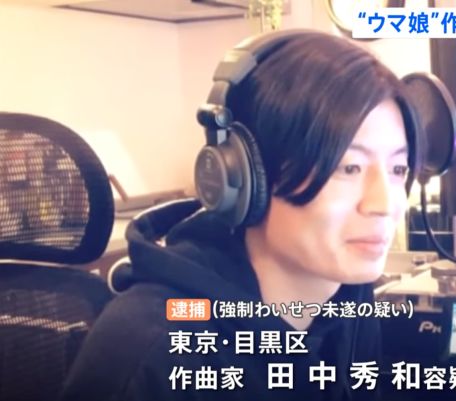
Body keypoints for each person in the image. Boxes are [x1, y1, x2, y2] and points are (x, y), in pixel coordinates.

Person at [60, 29, 417, 401]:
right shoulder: (148, 350)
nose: (385, 203)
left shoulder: (348, 299)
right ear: (244, 176)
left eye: (398, 169)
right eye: (348, 167)